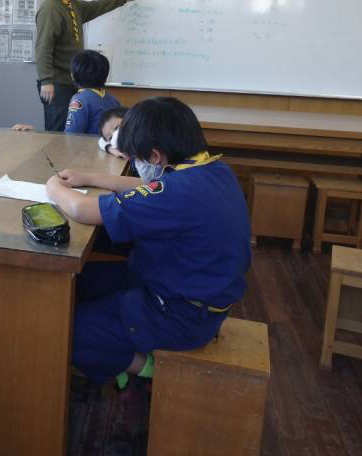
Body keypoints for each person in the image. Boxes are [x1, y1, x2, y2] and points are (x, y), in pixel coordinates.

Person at [45, 97, 251, 390]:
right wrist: (89, 177)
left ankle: (147, 368)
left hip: (180, 316)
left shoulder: (178, 194)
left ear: (154, 156)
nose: (135, 164)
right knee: (81, 281)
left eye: (135, 159)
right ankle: (114, 348)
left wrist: (53, 187)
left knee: (69, 330)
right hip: (188, 291)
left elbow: (82, 210)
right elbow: (151, 187)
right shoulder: (211, 171)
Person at [35, 0, 140, 131]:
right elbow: (43, 48)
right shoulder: (50, 9)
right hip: (57, 84)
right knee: (57, 132)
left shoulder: (71, 5)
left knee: (74, 129)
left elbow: (97, 6)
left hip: (71, 82)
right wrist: (46, 81)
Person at [64, 50, 121, 135]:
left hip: (88, 144)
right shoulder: (113, 100)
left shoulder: (79, 101)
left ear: (74, 75)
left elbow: (71, 134)